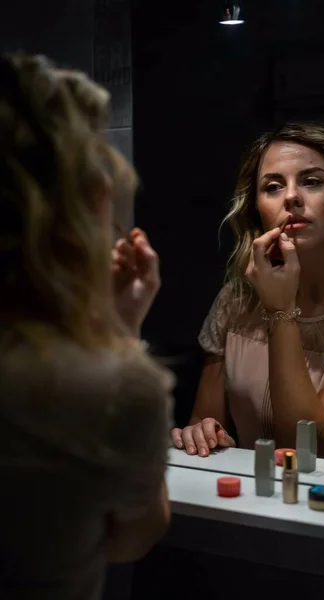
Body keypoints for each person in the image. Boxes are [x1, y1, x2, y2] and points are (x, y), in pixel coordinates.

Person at [0, 53, 172, 599]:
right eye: (95, 170)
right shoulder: (109, 389)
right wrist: (120, 336)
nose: (106, 190)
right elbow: (130, 538)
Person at [172, 123, 324, 461]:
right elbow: (206, 422)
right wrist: (200, 432)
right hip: (250, 501)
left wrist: (280, 310)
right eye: (272, 186)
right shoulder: (234, 302)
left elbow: (309, 444)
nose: (291, 197)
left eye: (312, 181)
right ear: (257, 210)